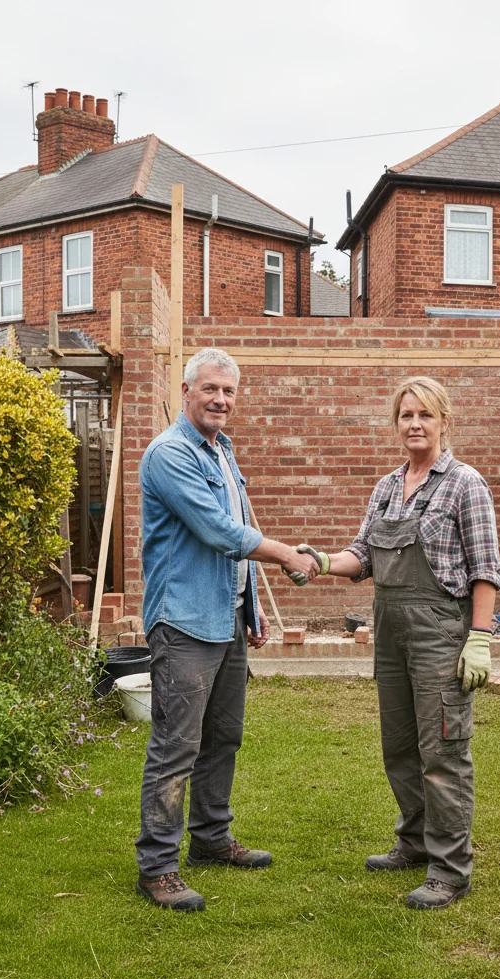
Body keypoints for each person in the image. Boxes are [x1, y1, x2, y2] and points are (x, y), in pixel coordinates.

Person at [293, 376, 500, 910]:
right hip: (389, 629)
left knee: (443, 752)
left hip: (440, 631)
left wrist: (479, 637)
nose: (415, 424)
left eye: (425, 415)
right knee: (400, 747)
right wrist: (319, 563)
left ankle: (450, 868)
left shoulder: (465, 484)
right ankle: (414, 842)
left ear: (444, 421)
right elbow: (361, 556)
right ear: (396, 424)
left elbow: (486, 569)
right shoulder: (387, 487)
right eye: (406, 415)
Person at [135, 348, 319, 912]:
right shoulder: (170, 454)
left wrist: (251, 609)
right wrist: (288, 554)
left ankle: (211, 840)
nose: (220, 400)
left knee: (223, 738)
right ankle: (158, 867)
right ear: (186, 390)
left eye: (230, 392)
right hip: (185, 622)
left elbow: (241, 530)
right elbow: (218, 531)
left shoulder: (221, 450)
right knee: (176, 747)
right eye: (210, 389)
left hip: (225, 620)